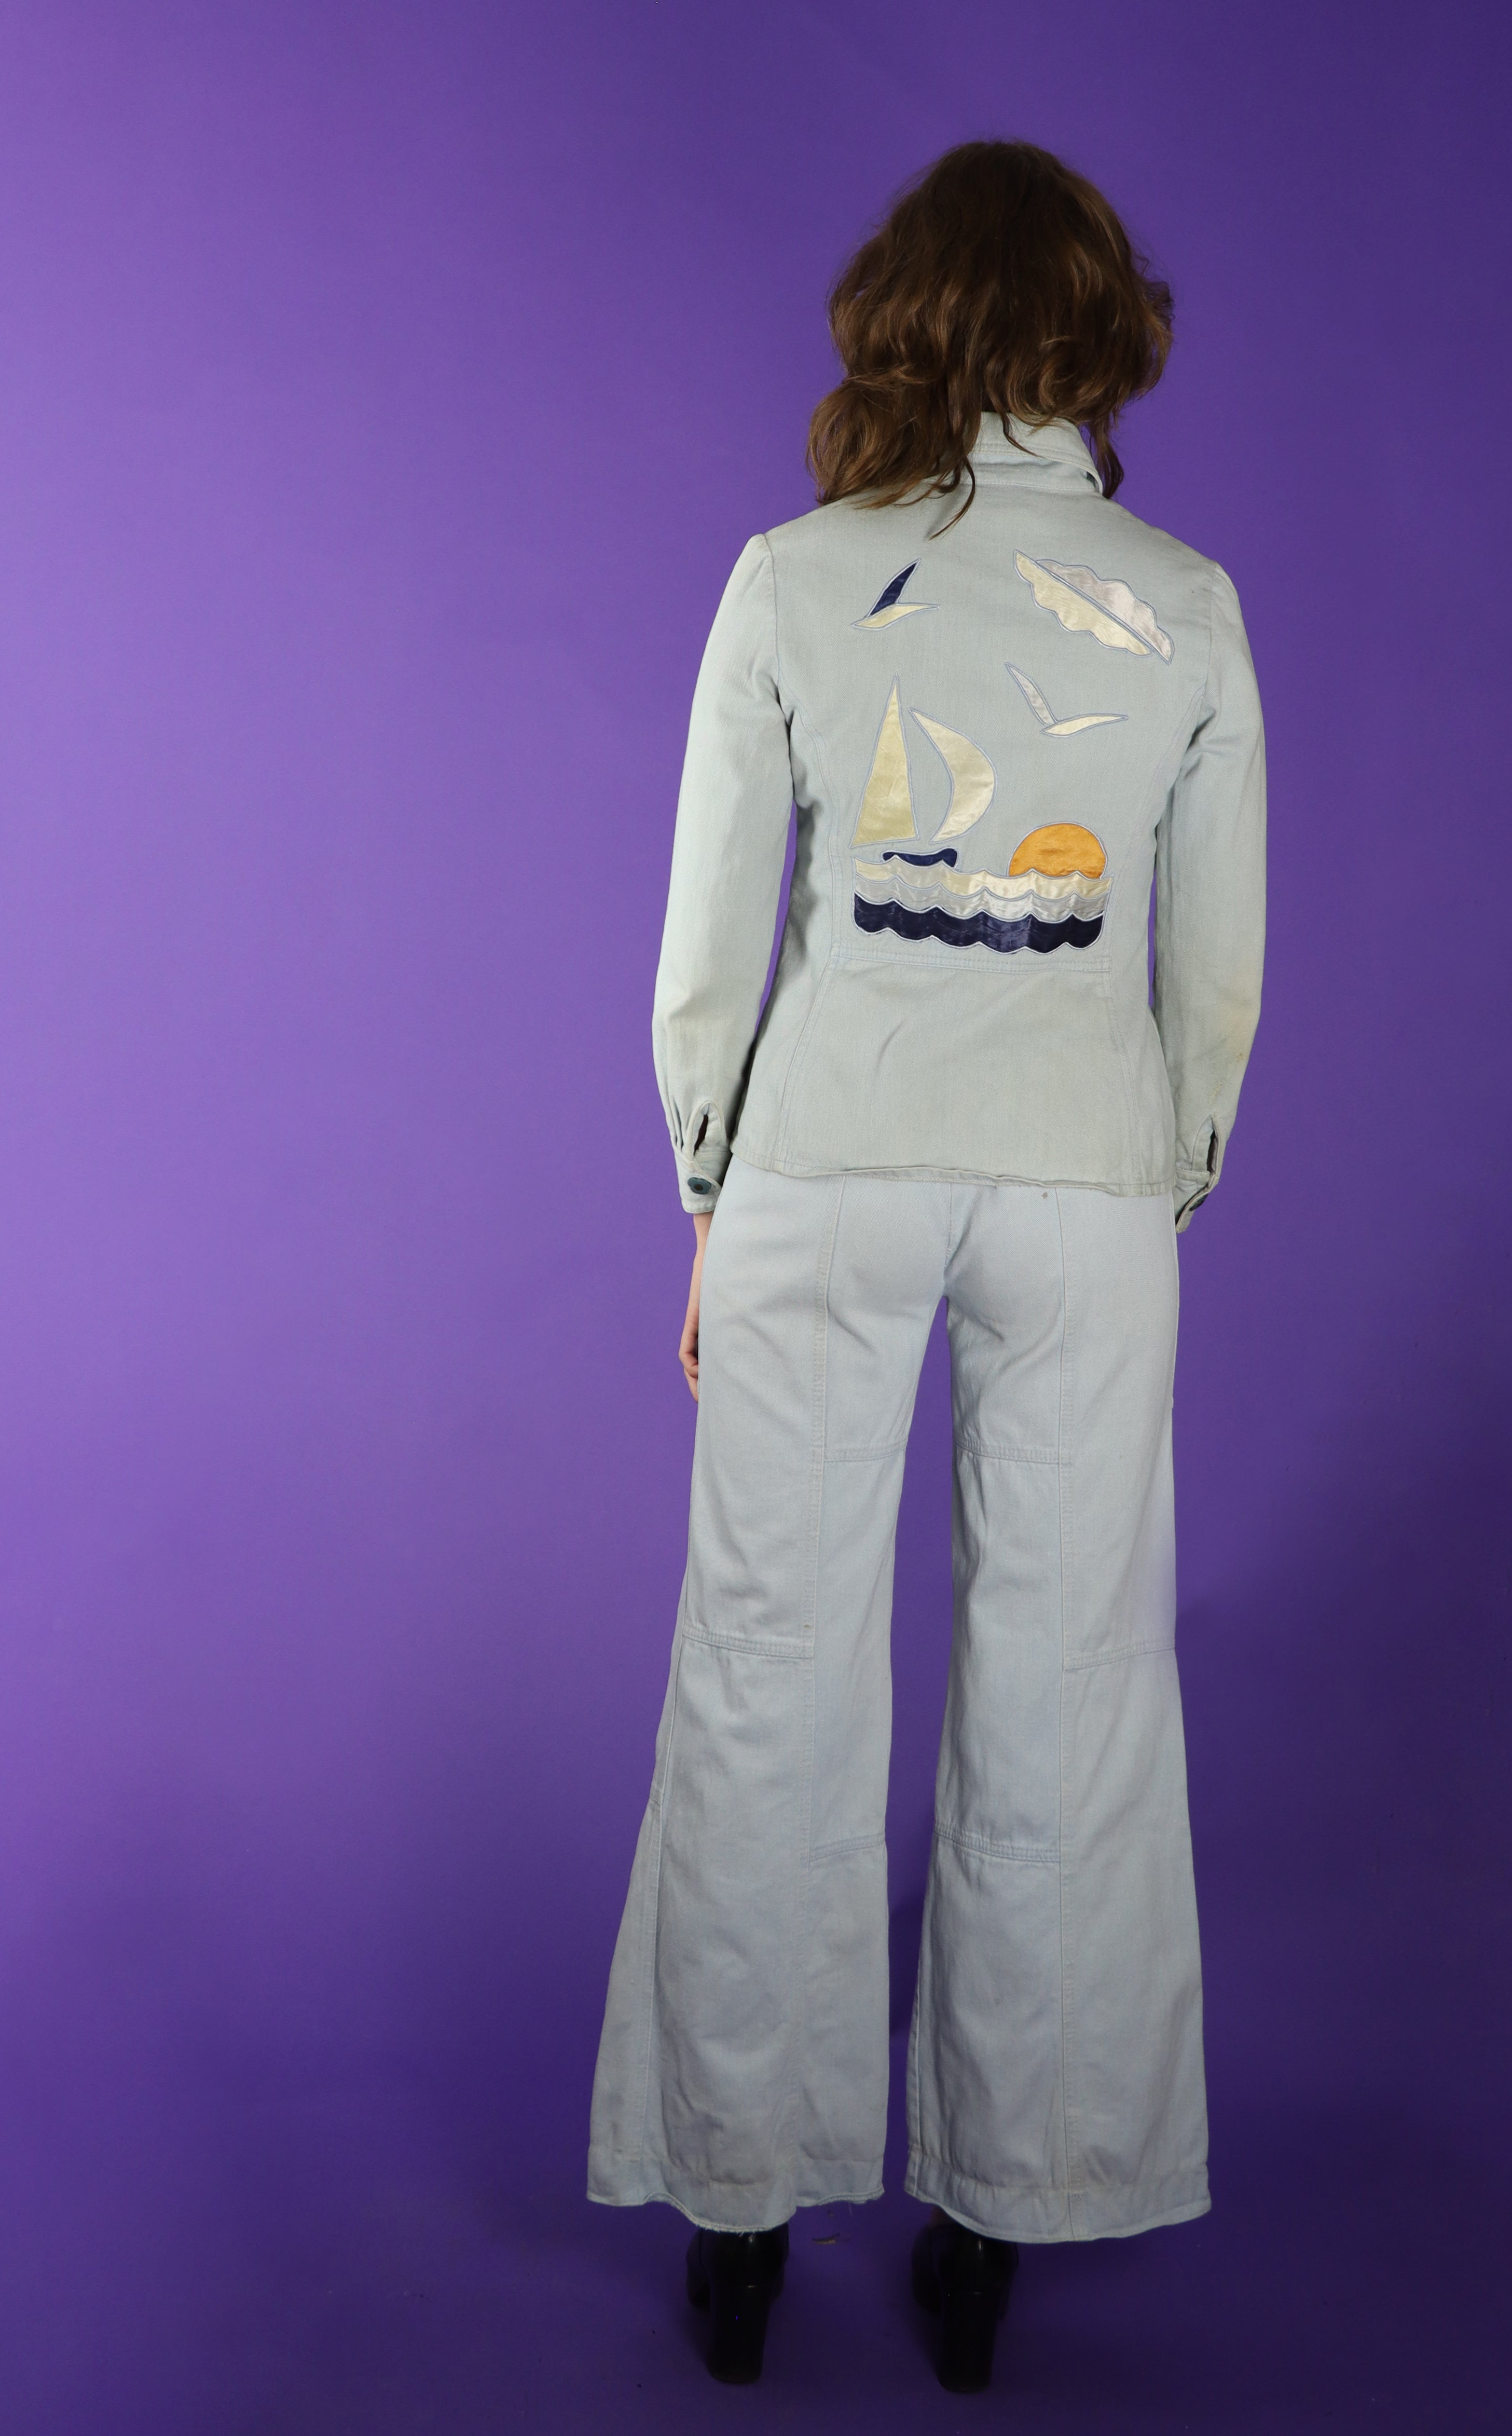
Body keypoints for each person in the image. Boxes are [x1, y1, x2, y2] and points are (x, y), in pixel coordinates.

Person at [587, 138, 1265, 2392]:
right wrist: (1155, 1177)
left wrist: (710, 1188)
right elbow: (1215, 977)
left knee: (765, 1674)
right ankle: (1004, 2218)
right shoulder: (1186, 602)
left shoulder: (790, 579)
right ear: (1099, 332)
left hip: (829, 1161)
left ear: (902, 314)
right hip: (1081, 1184)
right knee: (1071, 1690)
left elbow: (713, 941)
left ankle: (739, 2207)